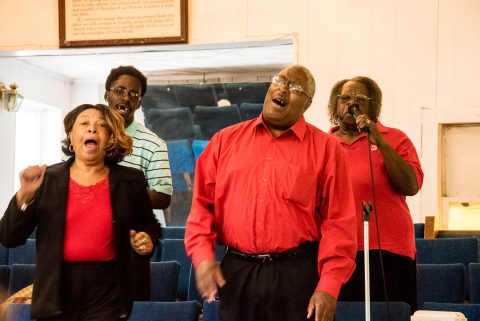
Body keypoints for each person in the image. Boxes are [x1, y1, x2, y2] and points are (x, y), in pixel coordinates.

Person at [185, 64, 357, 321]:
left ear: (307, 103)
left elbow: (339, 223)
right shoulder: (224, 142)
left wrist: (329, 286)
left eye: (297, 88)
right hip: (238, 273)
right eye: (281, 80)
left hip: (296, 275)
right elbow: (202, 207)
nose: (285, 89)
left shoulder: (327, 150)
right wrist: (203, 257)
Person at [0, 104, 161, 321]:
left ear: (110, 138)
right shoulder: (46, 179)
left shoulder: (131, 180)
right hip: (57, 288)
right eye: (84, 123)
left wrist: (147, 239)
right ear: (71, 136)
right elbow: (9, 237)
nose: (92, 129)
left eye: (101, 126)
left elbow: (149, 226)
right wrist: (24, 195)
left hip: (109, 289)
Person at [327, 76, 423, 312]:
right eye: (345, 98)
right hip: (338, 252)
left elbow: (411, 185)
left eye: (360, 98)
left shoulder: (395, 138)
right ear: (335, 104)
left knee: (390, 314)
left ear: (373, 106)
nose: (351, 102)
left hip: (389, 250)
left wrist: (377, 139)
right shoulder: (323, 143)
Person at [104, 65, 173, 300]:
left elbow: (163, 197)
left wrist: (118, 196)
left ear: (139, 102)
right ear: (107, 94)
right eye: (120, 90)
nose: (126, 97)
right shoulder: (84, 135)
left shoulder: (154, 143)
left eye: (133, 94)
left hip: (131, 244)